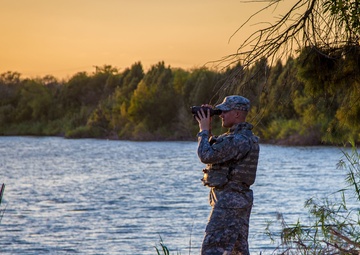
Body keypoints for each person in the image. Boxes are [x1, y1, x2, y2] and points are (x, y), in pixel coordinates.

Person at [195, 95, 260, 255]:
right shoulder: (239, 138)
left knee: (212, 249)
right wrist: (208, 130)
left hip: (229, 204)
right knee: (238, 251)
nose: (221, 115)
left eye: (225, 111)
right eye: (220, 112)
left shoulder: (238, 140)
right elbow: (217, 153)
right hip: (236, 201)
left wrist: (203, 131)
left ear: (237, 114)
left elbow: (206, 155)